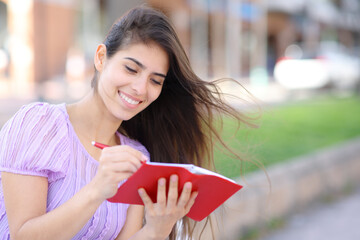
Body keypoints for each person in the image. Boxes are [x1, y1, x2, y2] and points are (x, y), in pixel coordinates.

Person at [0, 5, 256, 240]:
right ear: (101, 58)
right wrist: (97, 189)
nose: (140, 88)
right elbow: (23, 235)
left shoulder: (136, 157)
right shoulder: (38, 125)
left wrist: (158, 228)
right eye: (131, 69)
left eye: (155, 81)